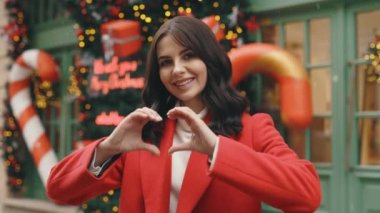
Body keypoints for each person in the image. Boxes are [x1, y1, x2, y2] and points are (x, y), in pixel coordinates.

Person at [47, 16, 321, 213]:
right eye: (166, 62)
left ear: (209, 61)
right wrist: (108, 149)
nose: (177, 69)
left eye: (188, 56)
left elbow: (307, 195)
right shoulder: (145, 132)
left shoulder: (252, 128)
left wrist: (217, 149)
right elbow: (59, 191)